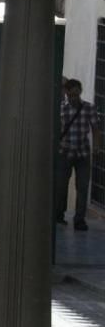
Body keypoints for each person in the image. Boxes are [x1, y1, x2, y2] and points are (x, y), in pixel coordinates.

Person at [55, 78, 100, 231]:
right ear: (66, 93)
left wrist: (97, 146)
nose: (74, 98)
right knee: (61, 186)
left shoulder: (89, 108)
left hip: (82, 153)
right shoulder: (61, 109)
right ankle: (59, 214)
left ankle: (79, 220)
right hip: (64, 152)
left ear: (80, 92)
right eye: (71, 95)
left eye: (76, 95)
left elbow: (95, 128)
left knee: (82, 186)